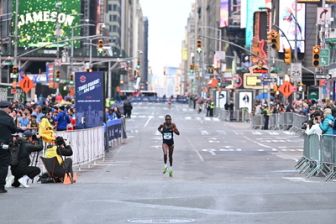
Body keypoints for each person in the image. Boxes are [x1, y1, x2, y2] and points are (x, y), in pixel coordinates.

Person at [0, 101, 22, 193]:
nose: (10, 110)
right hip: (4, 145)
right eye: (10, 108)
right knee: (4, 165)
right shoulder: (8, 118)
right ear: (6, 108)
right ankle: (1, 186)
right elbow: (14, 130)